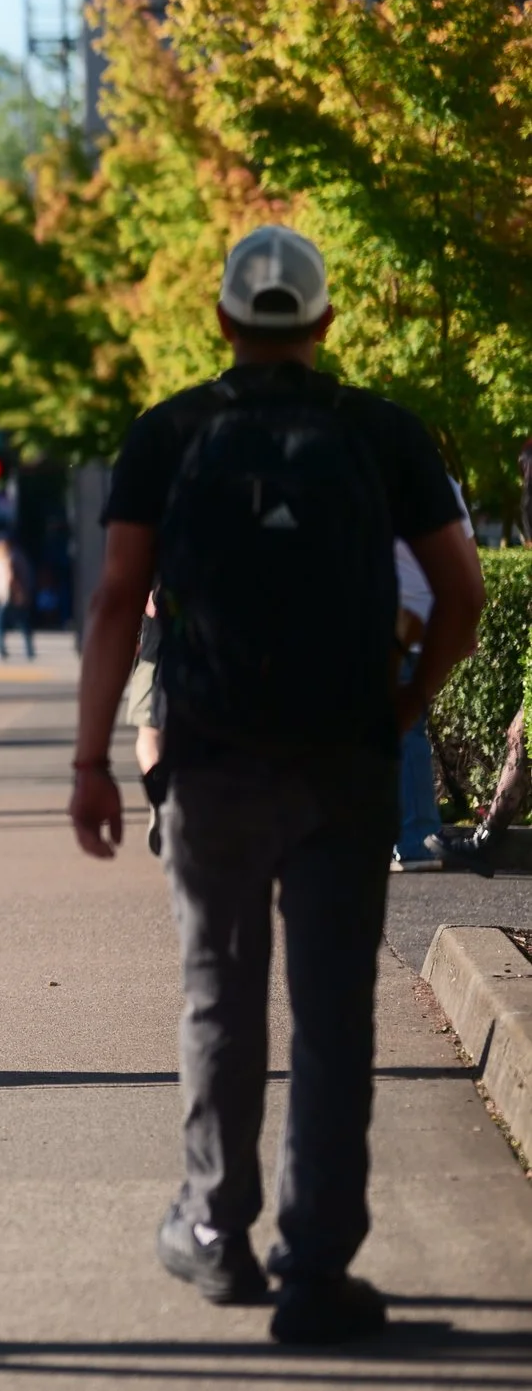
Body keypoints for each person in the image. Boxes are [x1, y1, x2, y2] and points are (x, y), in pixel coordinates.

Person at [70, 225, 482, 1347]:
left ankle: (213, 1231)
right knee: (333, 1013)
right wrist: (399, 706)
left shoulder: (168, 432)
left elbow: (117, 600)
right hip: (342, 761)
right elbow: (463, 593)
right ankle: (314, 1272)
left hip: (207, 757)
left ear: (219, 324)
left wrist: (90, 760)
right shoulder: (381, 433)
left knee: (220, 993)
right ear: (322, 324)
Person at [393, 477, 470, 870]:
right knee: (409, 730)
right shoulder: (446, 485)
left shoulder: (373, 471)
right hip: (434, 622)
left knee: (404, 734)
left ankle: (415, 838)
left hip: (396, 624)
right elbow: (467, 552)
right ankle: (412, 834)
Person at [0, 533, 34, 660]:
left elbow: (12, 577)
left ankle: (2, 649)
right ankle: (27, 649)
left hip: (9, 595)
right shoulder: (1, 557)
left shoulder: (10, 557)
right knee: (21, 622)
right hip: (5, 594)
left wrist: (18, 592)